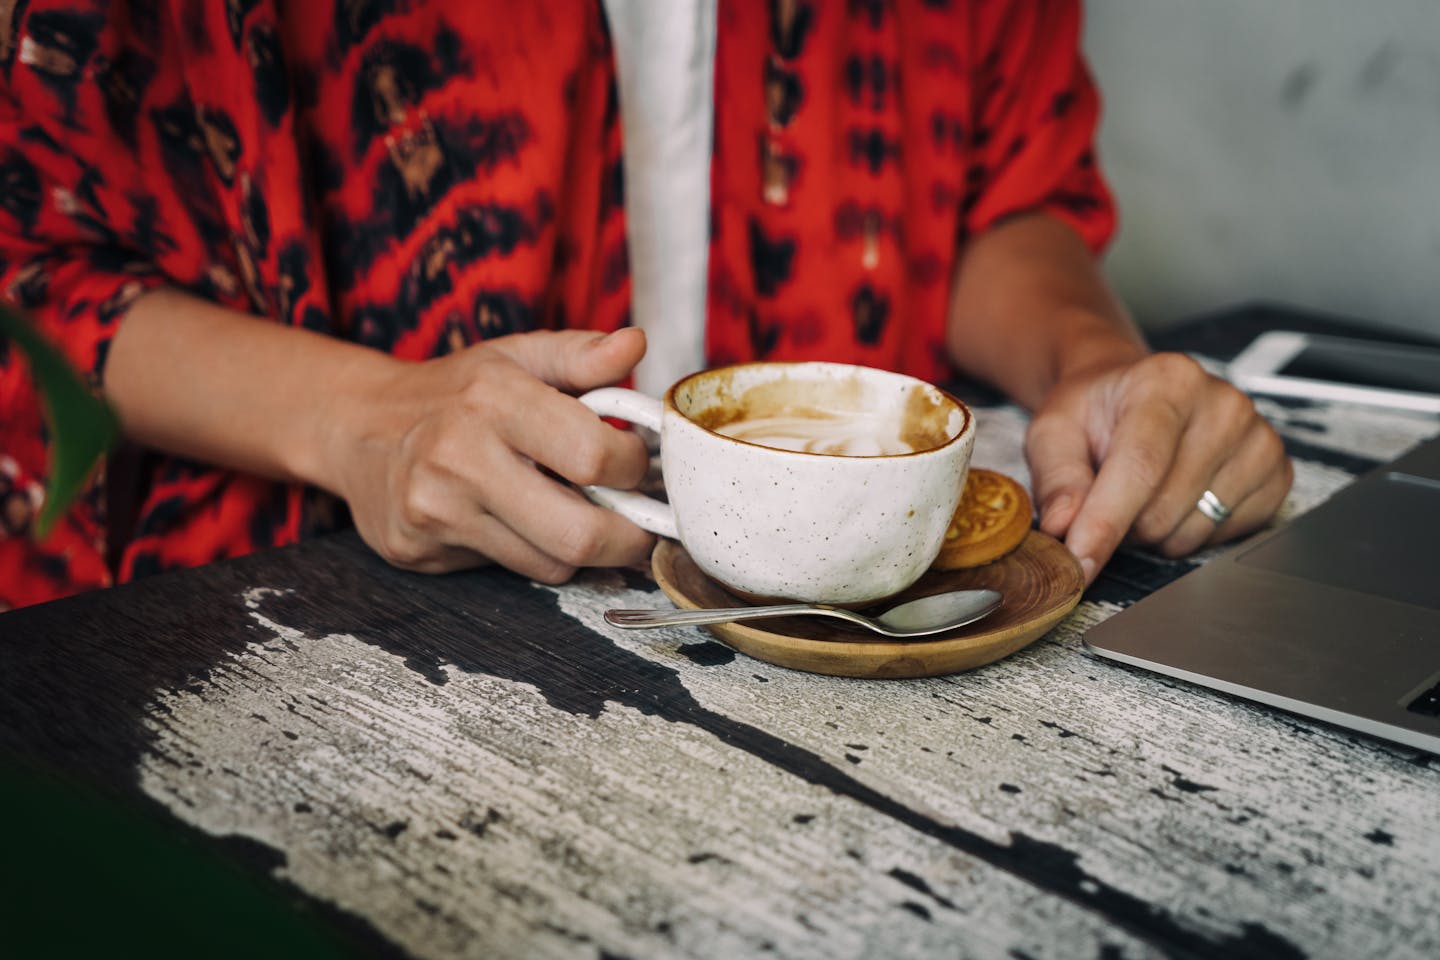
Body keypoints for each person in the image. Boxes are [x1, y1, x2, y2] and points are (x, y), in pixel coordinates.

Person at [0, 0, 1291, 610]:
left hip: (817, 641)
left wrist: (1091, 363)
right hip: (258, 633)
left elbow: (992, 190)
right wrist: (360, 418)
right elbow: (30, 261)